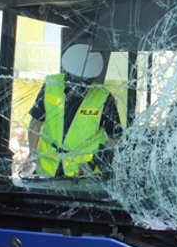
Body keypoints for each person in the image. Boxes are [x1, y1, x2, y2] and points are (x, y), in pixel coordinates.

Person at [27, 43, 121, 178]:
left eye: (83, 84)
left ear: (92, 78)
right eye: (73, 82)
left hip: (83, 175)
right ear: (66, 73)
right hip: (47, 171)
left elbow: (115, 138)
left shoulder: (103, 97)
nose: (77, 89)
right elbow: (35, 122)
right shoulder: (51, 86)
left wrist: (95, 162)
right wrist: (32, 153)